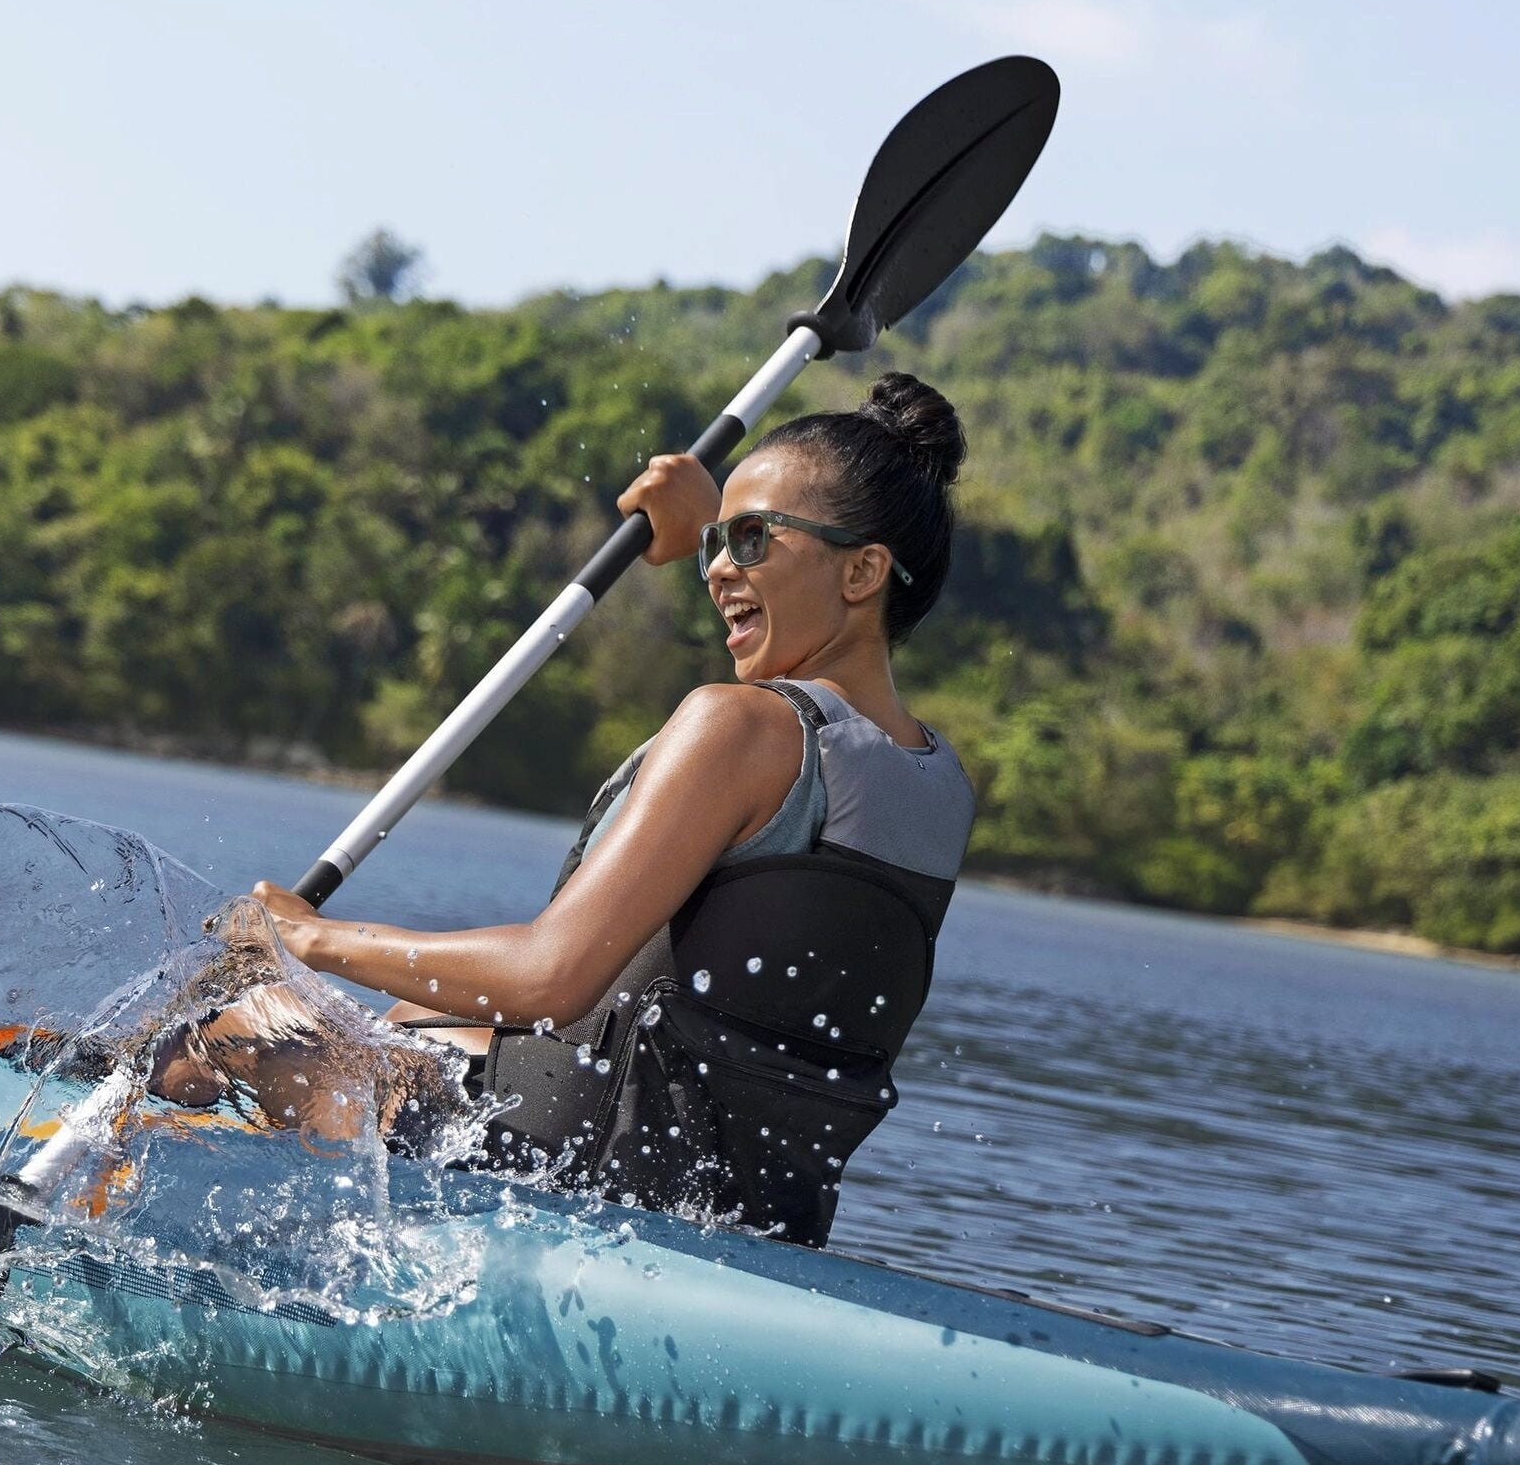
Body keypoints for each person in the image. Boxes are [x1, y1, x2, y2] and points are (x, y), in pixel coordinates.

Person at [204, 372, 975, 1246]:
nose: (720, 568)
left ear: (864, 570)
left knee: (244, 1022)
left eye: (751, 539)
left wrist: (309, 937)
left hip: (578, 1175)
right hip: (747, 1203)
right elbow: (729, 1013)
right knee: (416, 1021)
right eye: (717, 544)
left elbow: (549, 978)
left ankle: (97, 1176)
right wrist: (709, 525)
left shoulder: (735, 727)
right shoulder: (937, 783)